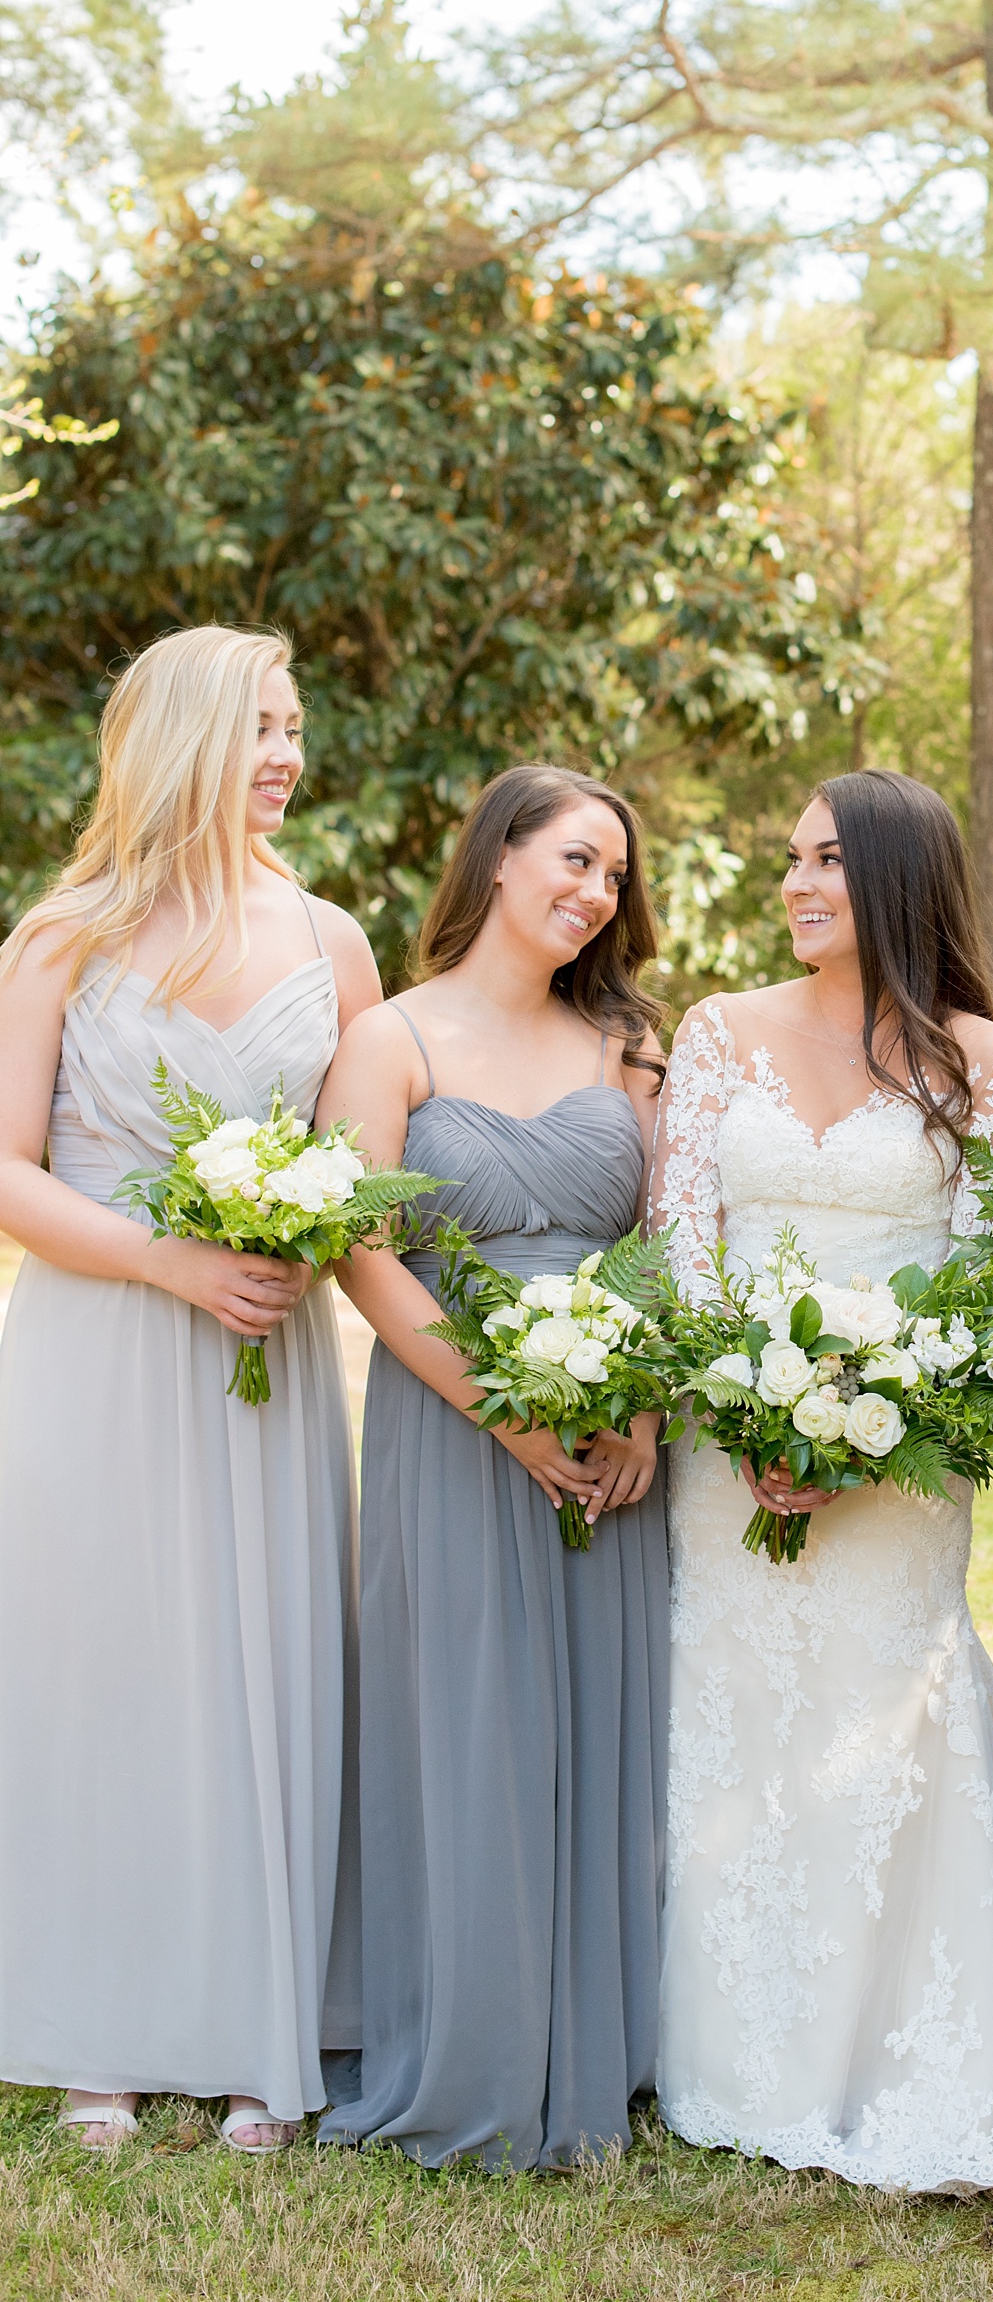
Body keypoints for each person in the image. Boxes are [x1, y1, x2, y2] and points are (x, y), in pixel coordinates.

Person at [649, 767, 993, 2207]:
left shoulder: (989, 1059)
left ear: (896, 881)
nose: (799, 884)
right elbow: (682, 1236)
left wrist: (874, 1423)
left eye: (829, 862)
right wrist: (742, 1406)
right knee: (733, 1716)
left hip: (909, 1459)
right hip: (726, 1438)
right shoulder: (716, 1032)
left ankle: (894, 2061)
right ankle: (735, 2064)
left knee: (891, 1728)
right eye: (790, 859)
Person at [0, 624, 380, 2150]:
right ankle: (99, 2027)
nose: (287, 755)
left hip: (265, 1357)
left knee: (261, 1661)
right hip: (97, 1342)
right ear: (185, 742)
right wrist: (168, 1261)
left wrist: (301, 1237)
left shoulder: (333, 941)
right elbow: (6, 1174)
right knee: (102, 1668)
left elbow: (364, 1164)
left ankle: (253, 2026)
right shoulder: (58, 937)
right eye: (263, 728)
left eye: (296, 727)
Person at [317, 765, 668, 2171]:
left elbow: (664, 1242)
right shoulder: (389, 1039)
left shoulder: (630, 1046)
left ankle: (603, 2054)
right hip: (451, 1427)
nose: (593, 896)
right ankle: (464, 2047)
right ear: (502, 855)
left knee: (601, 1732)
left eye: (613, 880)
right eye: (575, 862)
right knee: (468, 1728)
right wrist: (501, 1413)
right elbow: (362, 1250)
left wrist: (636, 1412)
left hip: (614, 1432)